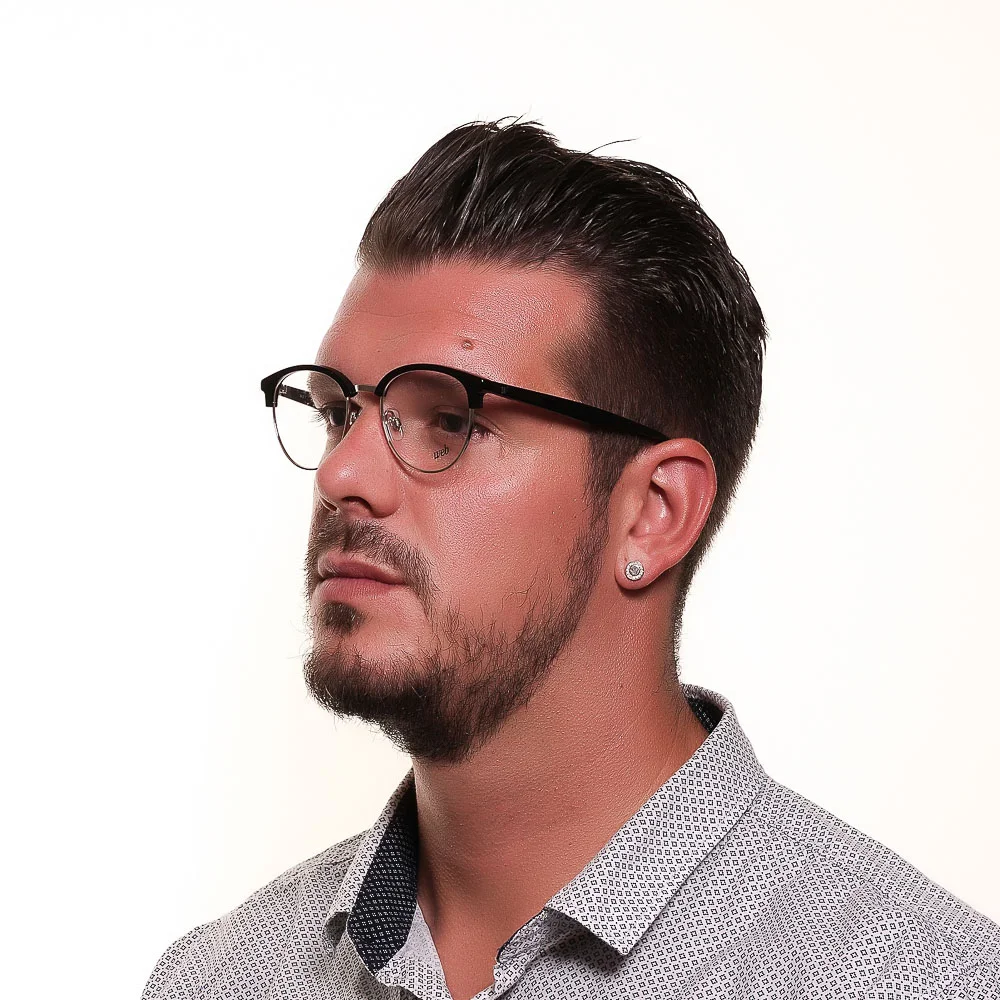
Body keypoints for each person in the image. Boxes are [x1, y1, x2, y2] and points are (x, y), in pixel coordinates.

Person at [142, 118, 1000, 1000]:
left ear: (655, 514)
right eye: (338, 413)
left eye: (451, 420)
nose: (342, 474)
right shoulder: (216, 980)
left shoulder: (925, 981)